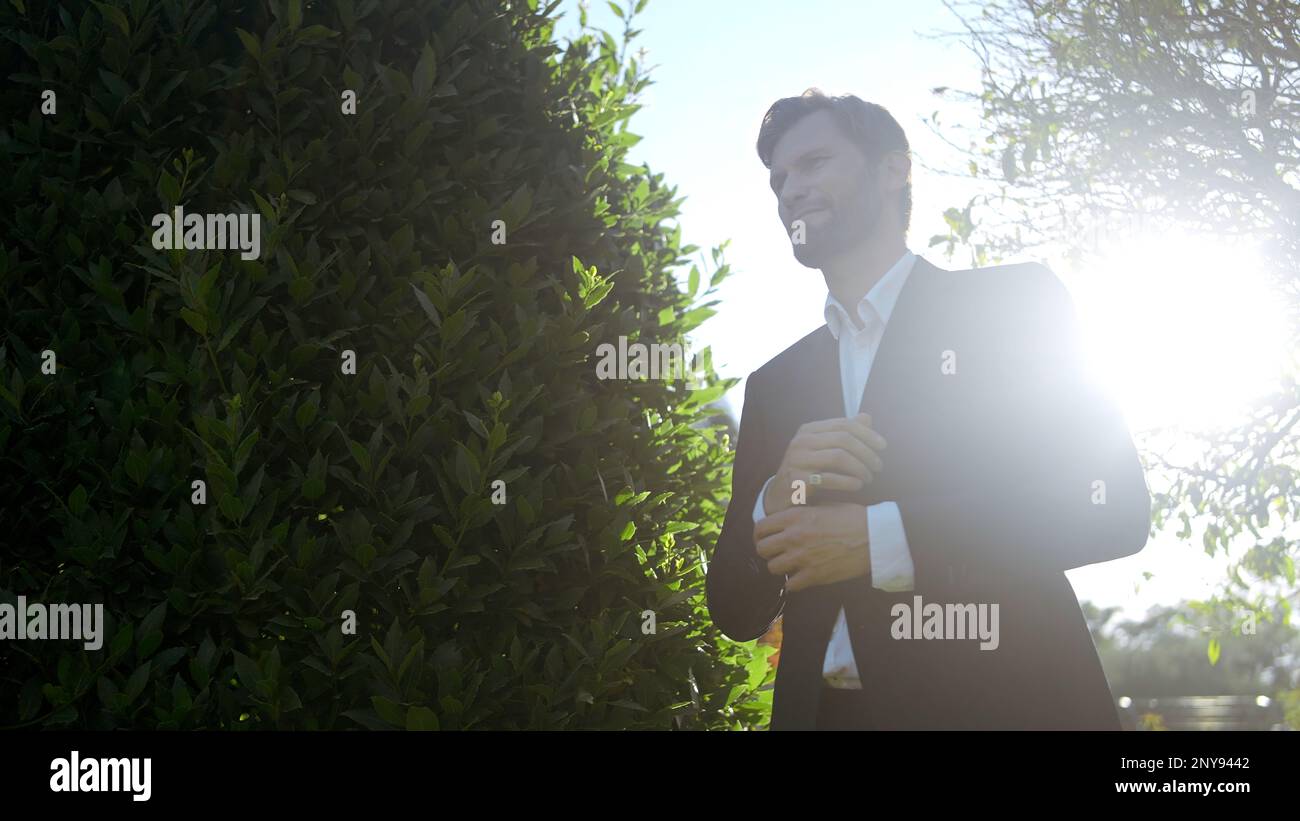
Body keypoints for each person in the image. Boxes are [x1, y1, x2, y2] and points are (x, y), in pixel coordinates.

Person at [705, 89, 1152, 730]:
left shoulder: (1012, 305)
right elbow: (733, 609)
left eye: (814, 163)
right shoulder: (774, 384)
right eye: (778, 179)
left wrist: (880, 541)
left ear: (893, 169)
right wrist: (775, 499)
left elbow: (1109, 506)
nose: (789, 190)